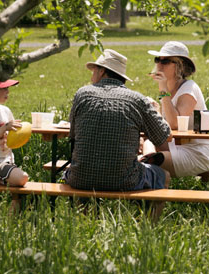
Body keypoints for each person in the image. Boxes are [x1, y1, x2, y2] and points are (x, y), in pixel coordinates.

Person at [65, 49, 171, 193]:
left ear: (102, 71)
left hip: (79, 178)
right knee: (164, 175)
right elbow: (163, 136)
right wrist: (156, 111)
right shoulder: (136, 99)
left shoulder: (82, 94)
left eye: (94, 71)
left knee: (82, 174)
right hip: (125, 180)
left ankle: (83, 215)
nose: (91, 78)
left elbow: (72, 135)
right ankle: (147, 216)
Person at [142, 41, 209, 177]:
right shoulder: (168, 89)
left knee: (148, 153)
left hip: (198, 151)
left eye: (165, 61)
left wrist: (163, 88)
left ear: (179, 66)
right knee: (143, 142)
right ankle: (146, 164)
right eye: (157, 60)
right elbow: (165, 128)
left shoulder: (189, 88)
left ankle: (145, 165)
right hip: (178, 146)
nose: (159, 64)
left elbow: (174, 124)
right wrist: (155, 110)